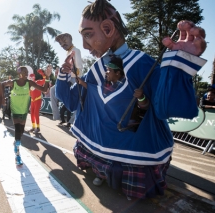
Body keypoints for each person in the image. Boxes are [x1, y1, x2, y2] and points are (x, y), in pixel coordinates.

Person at [56, 0, 207, 199]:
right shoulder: (97, 68)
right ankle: (103, 172)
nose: (84, 45)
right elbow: (72, 100)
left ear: (108, 29)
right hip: (96, 145)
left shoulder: (143, 64)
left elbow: (167, 107)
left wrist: (179, 65)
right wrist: (63, 76)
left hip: (135, 154)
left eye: (88, 34)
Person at [1, 66, 51, 165]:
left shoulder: (29, 83)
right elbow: (2, 84)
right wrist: (2, 97)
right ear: (19, 73)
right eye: (23, 72)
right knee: (17, 129)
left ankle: (17, 142)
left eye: (26, 72)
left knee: (21, 130)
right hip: (15, 110)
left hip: (24, 110)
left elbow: (44, 89)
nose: (25, 73)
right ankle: (18, 153)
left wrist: (47, 77)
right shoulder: (13, 82)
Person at [28, 68, 46, 133]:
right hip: (32, 100)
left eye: (32, 77)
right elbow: (29, 94)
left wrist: (42, 73)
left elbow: (44, 80)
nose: (31, 78)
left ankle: (38, 128)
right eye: (30, 78)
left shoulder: (38, 82)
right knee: (31, 113)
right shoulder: (29, 85)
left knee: (36, 113)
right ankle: (33, 127)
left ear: (34, 78)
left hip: (38, 99)